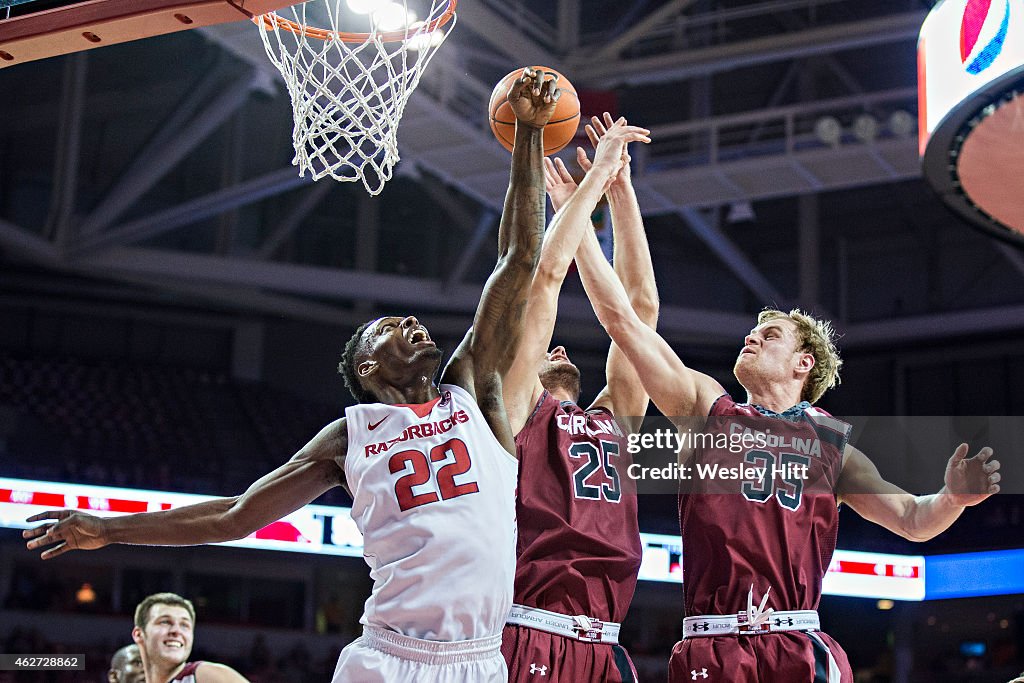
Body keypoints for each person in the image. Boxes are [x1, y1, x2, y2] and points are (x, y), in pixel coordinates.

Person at [22, 67, 560, 683]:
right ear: (368, 365)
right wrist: (109, 529)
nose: (412, 320)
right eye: (390, 326)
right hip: (388, 659)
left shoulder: (471, 388)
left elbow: (519, 262)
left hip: (479, 661)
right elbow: (234, 516)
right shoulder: (349, 437)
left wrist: (527, 136)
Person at [545, 162, 1003, 682]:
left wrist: (952, 499)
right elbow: (626, 318)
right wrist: (597, 209)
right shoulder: (706, 408)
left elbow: (913, 519)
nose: (753, 336)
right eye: (753, 331)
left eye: (772, 335)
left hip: (796, 644)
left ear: (803, 364)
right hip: (711, 643)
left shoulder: (832, 445)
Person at [499, 113, 654, 682]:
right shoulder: (514, 408)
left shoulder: (615, 422)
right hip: (527, 628)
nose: (559, 345)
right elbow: (545, 277)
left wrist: (620, 191)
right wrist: (578, 203)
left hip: (607, 644)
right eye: (545, 347)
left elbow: (639, 312)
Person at [130, 592, 247, 683]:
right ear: (139, 634)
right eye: (165, 622)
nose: (176, 631)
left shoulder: (203, 674)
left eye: (184, 625)